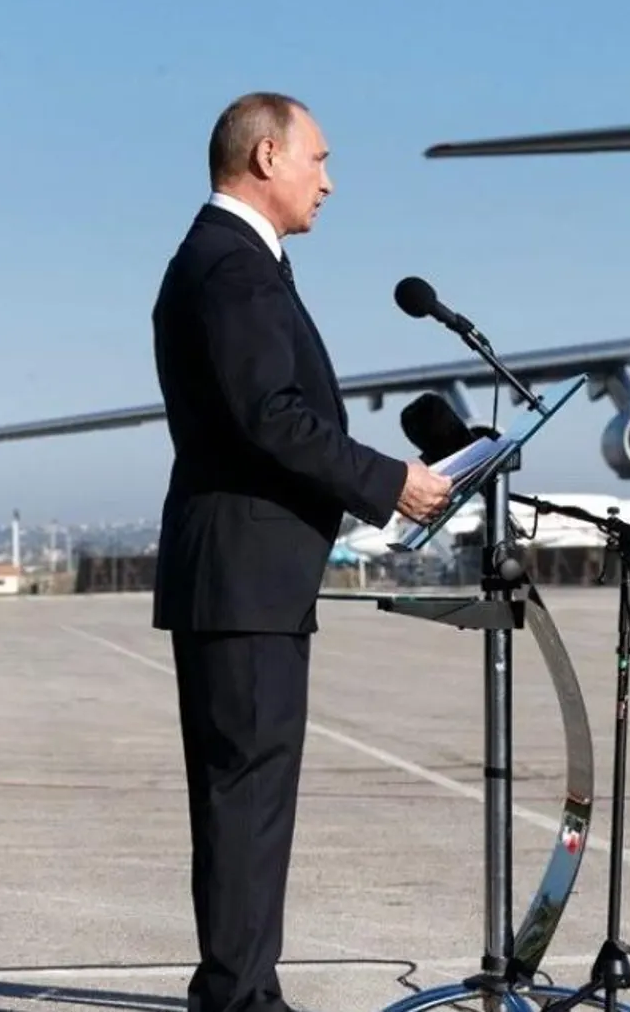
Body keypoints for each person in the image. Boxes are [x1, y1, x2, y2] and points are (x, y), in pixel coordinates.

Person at [150, 91, 452, 1012]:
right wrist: (386, 480)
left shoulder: (235, 261)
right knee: (246, 794)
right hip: (241, 579)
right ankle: (239, 998)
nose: (330, 179)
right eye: (319, 159)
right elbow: (268, 415)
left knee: (247, 795)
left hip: (248, 578)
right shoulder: (233, 269)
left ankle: (241, 986)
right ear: (268, 156)